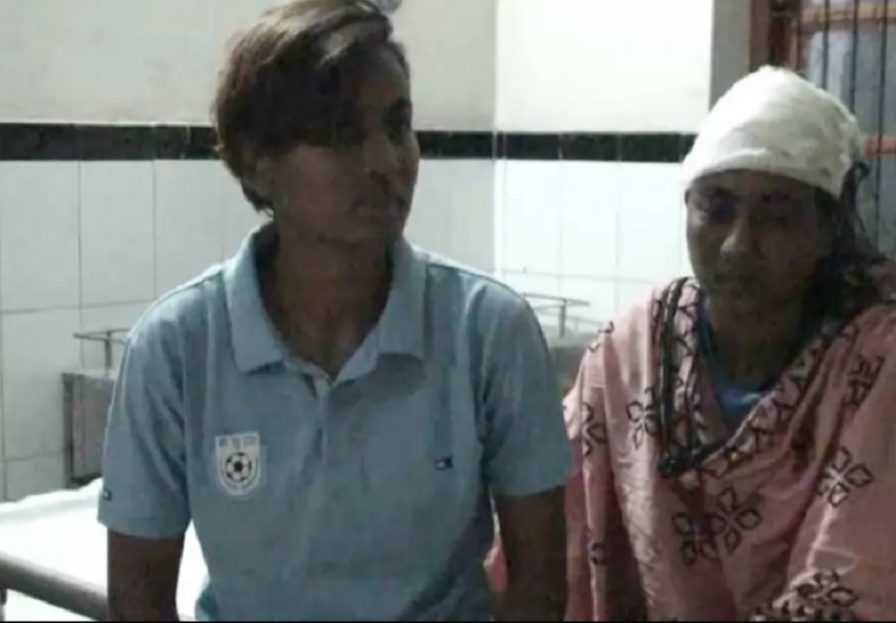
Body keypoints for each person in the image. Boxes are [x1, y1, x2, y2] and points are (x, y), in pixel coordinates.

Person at [98, 1, 570, 620]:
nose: (387, 162)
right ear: (258, 163)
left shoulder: (487, 332)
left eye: (398, 126)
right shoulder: (177, 349)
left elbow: (540, 583)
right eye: (342, 134)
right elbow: (139, 598)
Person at [555, 67, 896, 620]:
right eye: (716, 209)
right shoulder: (634, 347)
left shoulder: (887, 360)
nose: (737, 245)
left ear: (827, 229)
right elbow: (548, 510)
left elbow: (871, 584)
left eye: (776, 217)